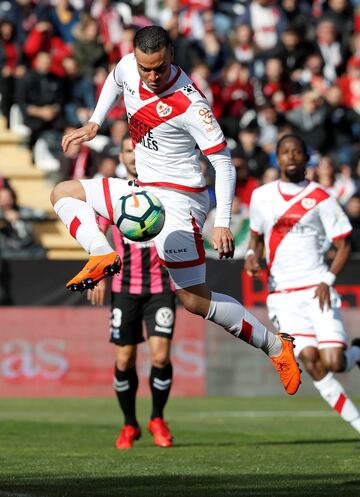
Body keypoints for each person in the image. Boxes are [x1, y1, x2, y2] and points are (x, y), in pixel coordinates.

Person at [51, 25, 301, 397]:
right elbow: (115, 80)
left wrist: (223, 221)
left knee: (193, 300)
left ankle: (277, 346)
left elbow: (224, 164)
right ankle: (102, 253)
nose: (151, 76)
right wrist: (94, 122)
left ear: (171, 55)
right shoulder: (129, 67)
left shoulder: (191, 104)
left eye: (159, 68)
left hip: (181, 201)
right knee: (63, 192)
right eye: (145, 68)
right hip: (144, 191)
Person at [245, 134, 360, 433]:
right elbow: (255, 238)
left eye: (297, 152)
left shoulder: (321, 196)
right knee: (310, 359)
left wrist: (328, 279)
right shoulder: (262, 196)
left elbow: (345, 244)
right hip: (282, 295)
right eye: (285, 152)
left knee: (334, 361)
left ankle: (356, 353)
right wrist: (250, 255)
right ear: (278, 158)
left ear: (306, 158)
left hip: (315, 290)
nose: (292, 156)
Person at [88, 134, 176, 449]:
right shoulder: (111, 194)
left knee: (161, 355)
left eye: (137, 150)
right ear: (121, 156)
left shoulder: (164, 189)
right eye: (128, 150)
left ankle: (157, 417)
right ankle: (129, 424)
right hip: (124, 288)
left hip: (161, 286)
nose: (133, 156)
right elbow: (96, 237)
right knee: (125, 359)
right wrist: (97, 275)